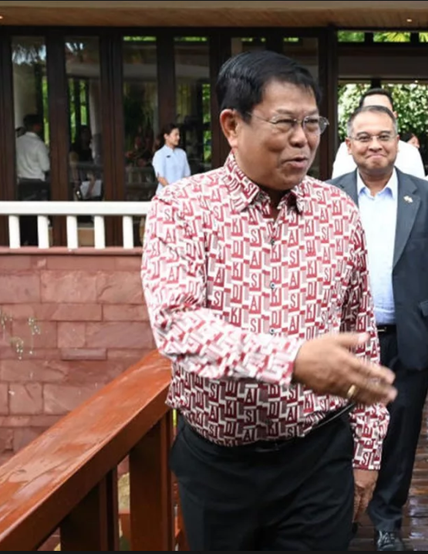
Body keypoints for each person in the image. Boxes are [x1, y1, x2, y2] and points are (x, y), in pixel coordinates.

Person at [140, 49, 397, 551]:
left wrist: (367, 451)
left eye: (312, 123)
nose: (302, 139)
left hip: (319, 459)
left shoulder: (338, 211)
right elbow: (178, 324)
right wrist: (292, 361)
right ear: (232, 126)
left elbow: (360, 333)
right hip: (219, 467)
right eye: (284, 123)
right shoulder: (182, 208)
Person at [330, 104, 428, 551]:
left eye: (384, 136)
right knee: (340, 430)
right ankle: (342, 514)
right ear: (349, 145)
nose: (374, 145)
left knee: (400, 435)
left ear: (398, 142)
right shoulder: (327, 196)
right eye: (364, 137)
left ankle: (387, 520)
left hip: (407, 337)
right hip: (345, 341)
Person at [332, 88, 426, 179]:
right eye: (371, 111)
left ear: (394, 116)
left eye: (383, 111)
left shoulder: (410, 153)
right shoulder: (347, 150)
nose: (375, 146)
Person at [151, 122, 191, 195]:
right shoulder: (160, 154)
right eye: (175, 135)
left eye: (179, 135)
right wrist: (172, 192)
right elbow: (160, 178)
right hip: (165, 195)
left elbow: (187, 176)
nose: (178, 137)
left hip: (181, 195)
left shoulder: (182, 153)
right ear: (166, 136)